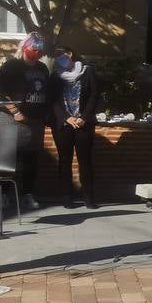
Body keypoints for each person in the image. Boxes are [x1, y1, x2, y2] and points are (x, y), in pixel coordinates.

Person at [0, 32, 50, 210]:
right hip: (12, 118)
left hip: (35, 120)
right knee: (7, 158)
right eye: (34, 48)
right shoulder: (11, 66)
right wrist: (15, 111)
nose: (36, 52)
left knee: (31, 159)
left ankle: (28, 194)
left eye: (40, 50)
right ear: (25, 47)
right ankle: (3, 196)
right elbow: (0, 91)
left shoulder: (43, 68)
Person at [50, 46, 99, 209]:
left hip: (83, 123)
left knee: (85, 160)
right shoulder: (55, 75)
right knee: (65, 161)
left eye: (60, 55)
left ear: (70, 54)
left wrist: (84, 117)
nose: (58, 58)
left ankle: (89, 197)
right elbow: (53, 101)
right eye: (55, 56)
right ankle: (67, 197)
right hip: (64, 124)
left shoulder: (87, 71)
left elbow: (94, 95)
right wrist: (66, 117)